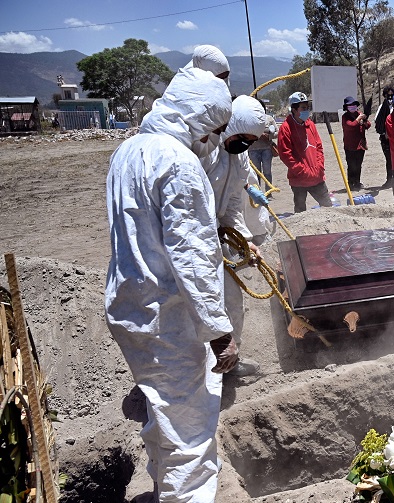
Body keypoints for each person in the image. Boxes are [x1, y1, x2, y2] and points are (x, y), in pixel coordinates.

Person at [104, 66, 236, 502]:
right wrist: (219, 332)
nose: (213, 140)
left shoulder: (128, 150)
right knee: (190, 431)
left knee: (162, 413)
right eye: (213, 130)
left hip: (132, 308)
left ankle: (163, 488)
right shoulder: (178, 163)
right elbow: (192, 256)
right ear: (198, 120)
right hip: (169, 318)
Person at [201, 95, 269, 378]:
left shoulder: (239, 156)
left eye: (251, 141)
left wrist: (244, 240)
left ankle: (230, 361)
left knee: (232, 302)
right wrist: (208, 231)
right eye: (242, 138)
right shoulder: (205, 153)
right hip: (196, 238)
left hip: (219, 235)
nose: (245, 145)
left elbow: (231, 202)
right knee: (201, 302)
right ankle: (201, 371)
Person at [278, 91, 332, 212]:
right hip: (299, 179)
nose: (306, 110)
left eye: (307, 107)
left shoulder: (310, 124)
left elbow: (319, 147)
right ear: (294, 109)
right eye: (303, 108)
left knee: (328, 206)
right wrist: (302, 171)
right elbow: (286, 155)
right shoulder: (286, 128)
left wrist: (320, 166)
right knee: (300, 210)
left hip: (317, 176)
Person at [341, 96, 371, 191]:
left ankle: (357, 182)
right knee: (351, 165)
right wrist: (359, 119)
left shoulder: (359, 114)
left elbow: (368, 125)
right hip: (350, 145)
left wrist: (364, 121)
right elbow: (351, 125)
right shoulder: (345, 117)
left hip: (360, 145)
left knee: (358, 164)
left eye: (353, 105)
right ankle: (350, 183)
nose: (352, 107)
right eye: (350, 105)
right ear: (346, 107)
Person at [247, 100, 277, 192]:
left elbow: (277, 132)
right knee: (256, 173)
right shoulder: (249, 119)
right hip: (253, 149)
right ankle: (258, 192)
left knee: (267, 172)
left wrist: (269, 136)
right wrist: (257, 135)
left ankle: (269, 192)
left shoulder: (269, 119)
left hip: (266, 149)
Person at [375, 85, 394, 188]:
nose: (390, 97)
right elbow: (378, 121)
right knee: (389, 159)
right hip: (385, 138)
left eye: (392, 95)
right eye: (388, 95)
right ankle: (389, 180)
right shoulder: (382, 107)